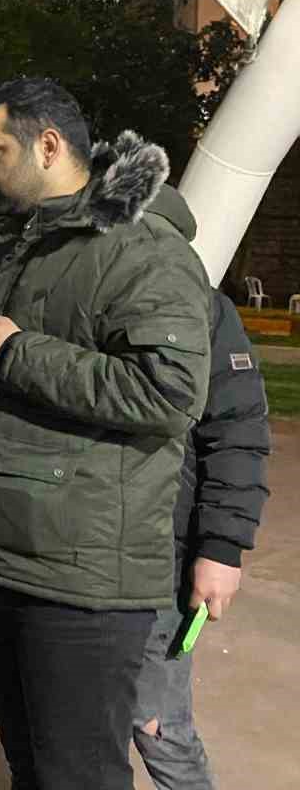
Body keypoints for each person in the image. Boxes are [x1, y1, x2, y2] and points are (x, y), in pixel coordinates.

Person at [0, 78, 210, 790]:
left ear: (47, 145)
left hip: (86, 581)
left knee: (78, 776)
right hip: (7, 555)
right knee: (32, 771)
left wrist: (13, 353)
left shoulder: (141, 249)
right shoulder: (37, 246)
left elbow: (169, 391)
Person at [131, 265, 270, 788]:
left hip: (161, 554)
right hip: (66, 552)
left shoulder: (197, 301)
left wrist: (222, 548)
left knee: (156, 722)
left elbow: (238, 430)